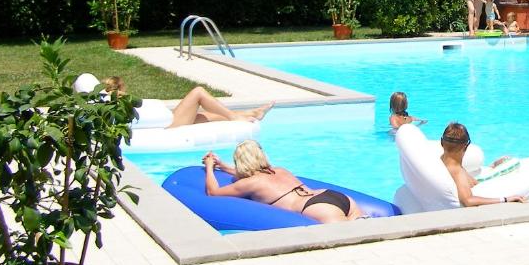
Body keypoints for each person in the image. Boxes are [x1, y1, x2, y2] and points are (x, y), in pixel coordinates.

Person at [202, 140, 364, 223]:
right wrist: (223, 166)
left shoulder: (250, 183)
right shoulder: (279, 170)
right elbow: (253, 172)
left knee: (351, 243)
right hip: (334, 196)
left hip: (317, 208)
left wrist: (210, 167)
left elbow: (213, 192)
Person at [439, 122, 529, 207]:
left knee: (509, 163)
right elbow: (468, 200)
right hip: (487, 193)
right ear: (465, 147)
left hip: (483, 186)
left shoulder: (444, 160)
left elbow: (468, 183)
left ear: (441, 142)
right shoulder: (455, 169)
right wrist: (505, 199)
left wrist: (492, 168)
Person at [104, 76, 273, 129]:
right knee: (198, 92)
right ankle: (234, 116)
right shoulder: (118, 99)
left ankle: (250, 113)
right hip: (167, 124)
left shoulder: (110, 101)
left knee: (202, 116)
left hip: (166, 120)